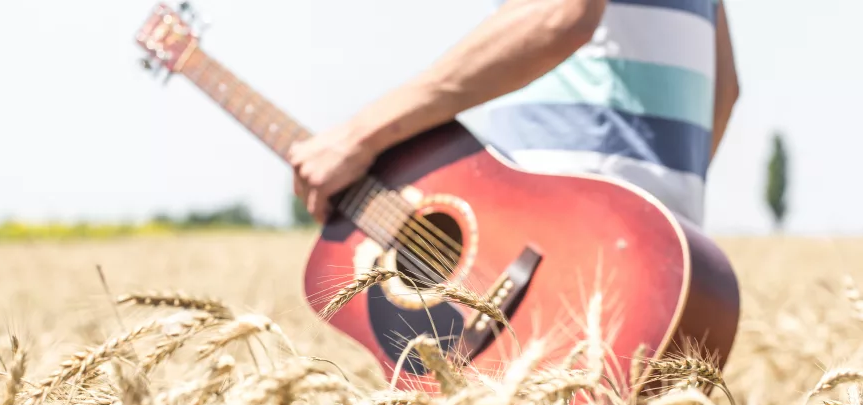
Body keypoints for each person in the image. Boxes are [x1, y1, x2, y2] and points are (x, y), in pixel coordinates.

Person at [288, 0, 739, 229]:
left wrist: (358, 136)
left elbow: (559, 12)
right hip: (672, 258)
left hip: (563, 237)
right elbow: (725, 89)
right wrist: (658, 211)